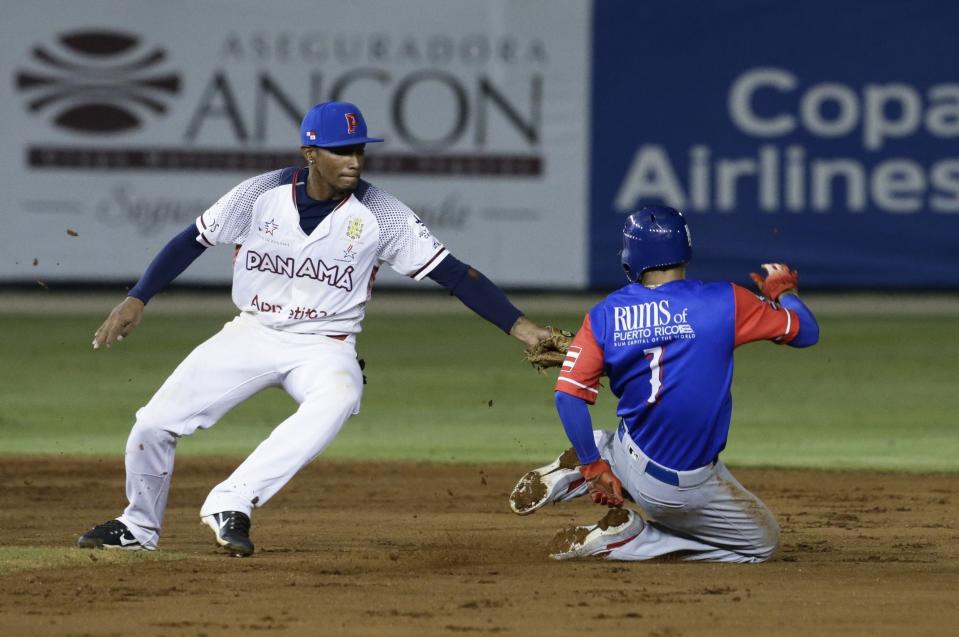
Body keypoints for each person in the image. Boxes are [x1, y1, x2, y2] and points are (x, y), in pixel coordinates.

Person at [77, 100, 551, 557]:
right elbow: (192, 240)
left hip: (326, 344)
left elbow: (453, 272)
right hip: (252, 331)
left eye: (360, 149)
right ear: (310, 154)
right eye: (341, 150)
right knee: (154, 423)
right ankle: (139, 526)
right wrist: (139, 295)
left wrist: (523, 329)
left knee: (340, 396)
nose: (354, 160)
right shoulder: (258, 194)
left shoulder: (382, 214)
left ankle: (233, 499)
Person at [508, 205, 819, 563]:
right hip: (678, 488)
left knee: (620, 434)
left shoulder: (605, 314)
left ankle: (587, 460)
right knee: (761, 545)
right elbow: (806, 332)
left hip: (630, 450)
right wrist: (783, 293)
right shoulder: (726, 301)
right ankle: (633, 540)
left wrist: (595, 466)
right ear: (685, 248)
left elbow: (568, 397)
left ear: (631, 258)